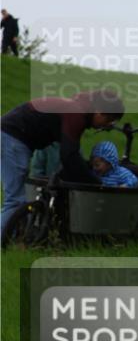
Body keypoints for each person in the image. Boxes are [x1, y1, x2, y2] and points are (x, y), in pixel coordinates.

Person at [1, 89, 124, 233]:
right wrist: (97, 183)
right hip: (12, 139)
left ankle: (17, 239)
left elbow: (71, 154)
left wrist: (84, 171)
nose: (107, 125)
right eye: (108, 120)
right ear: (98, 111)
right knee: (16, 199)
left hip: (11, 137)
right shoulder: (76, 114)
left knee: (19, 198)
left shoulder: (78, 109)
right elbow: (69, 156)